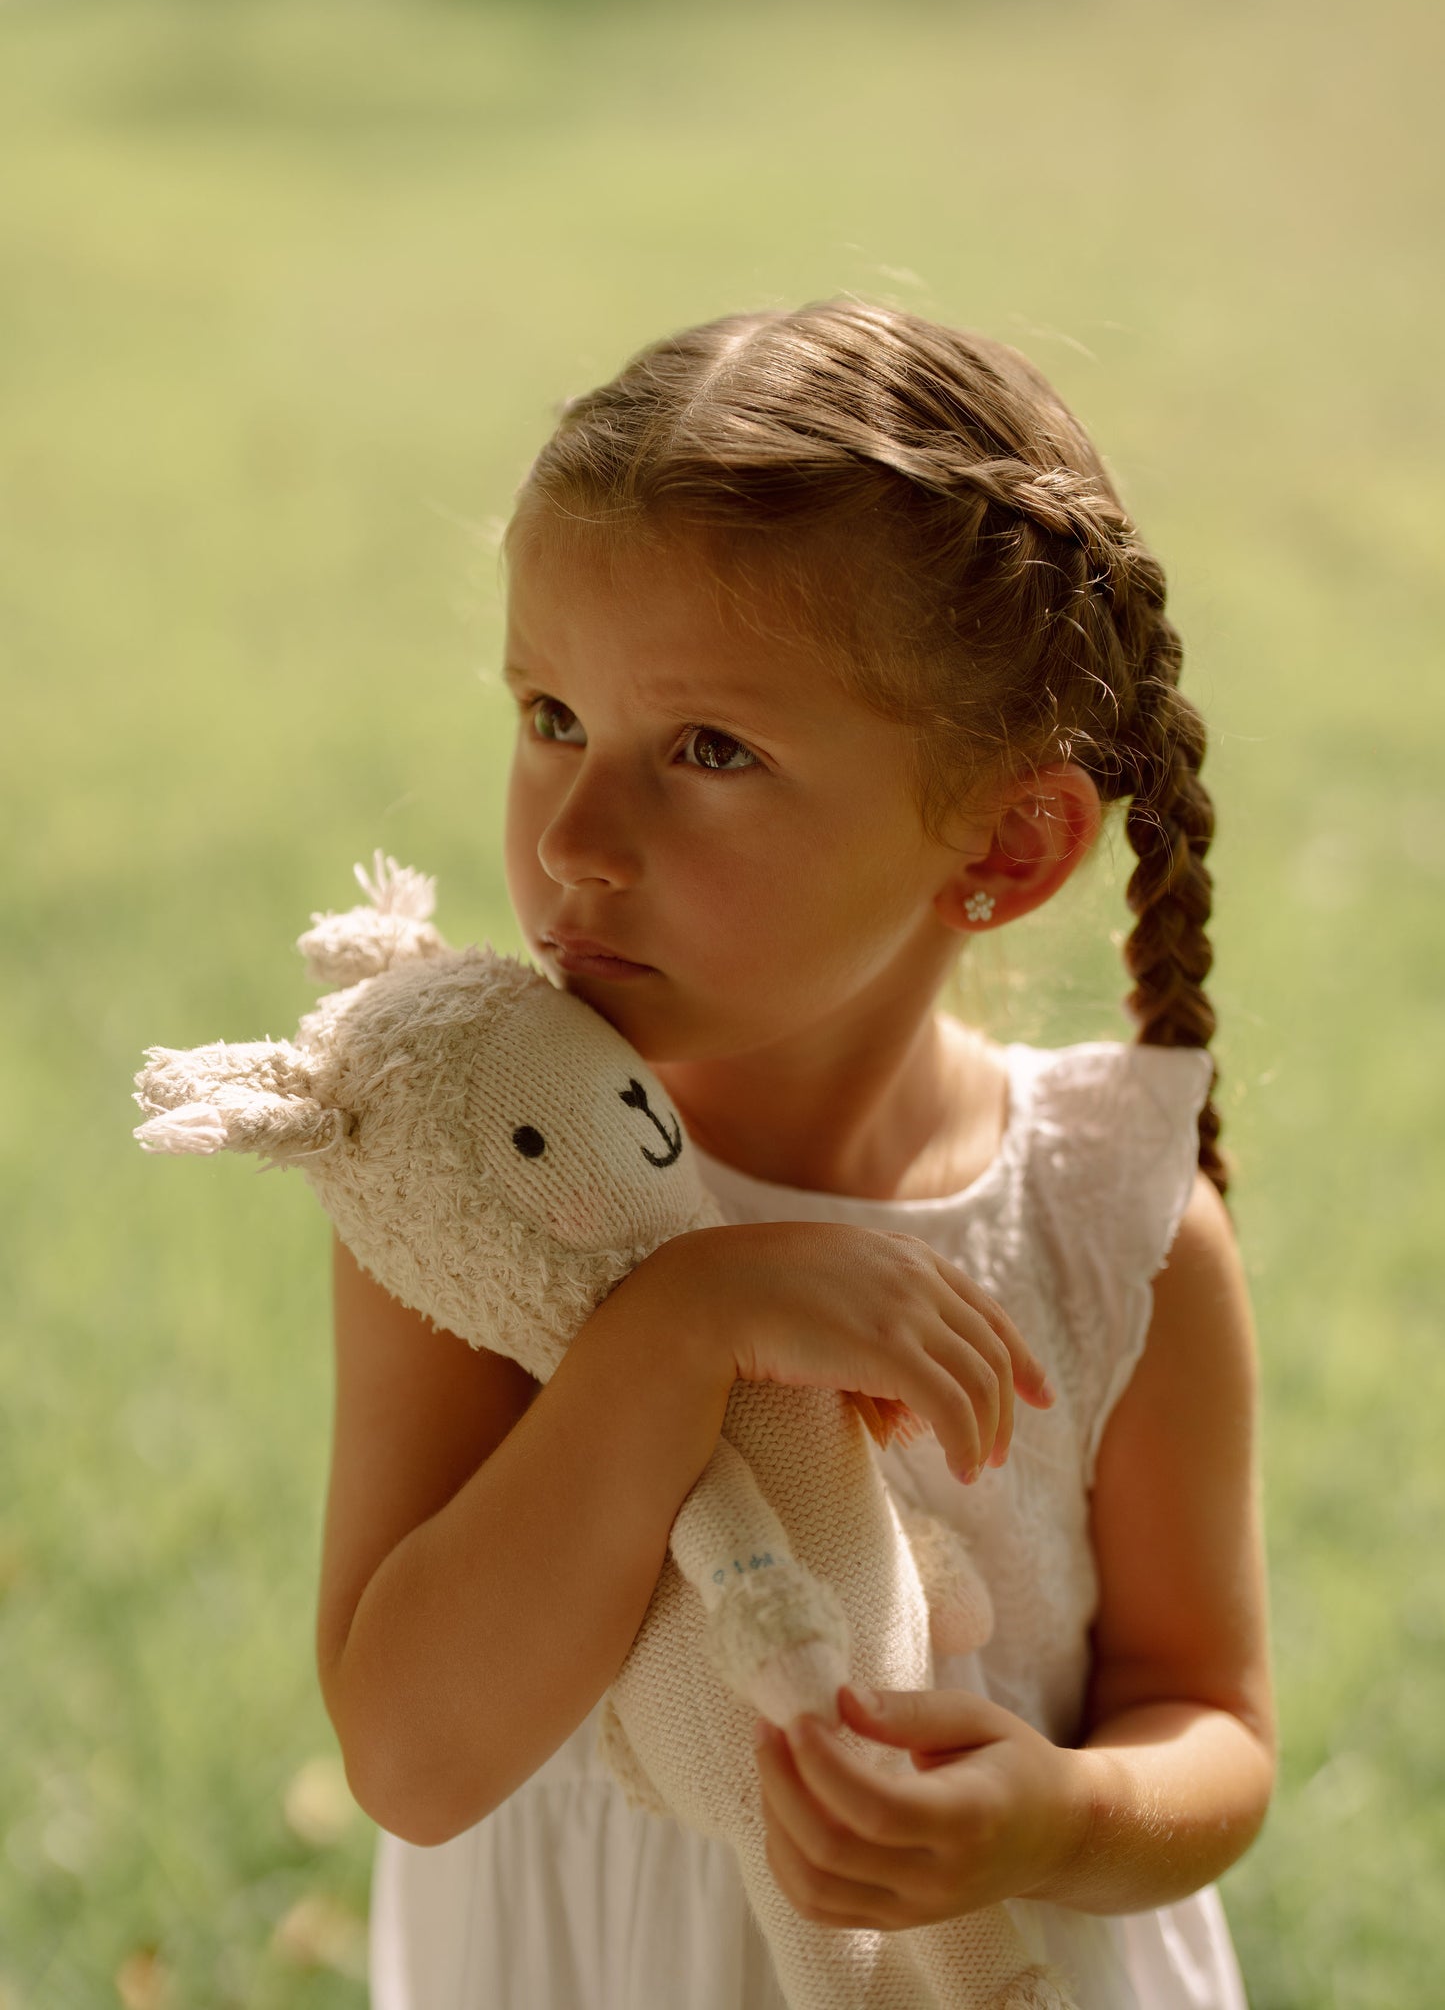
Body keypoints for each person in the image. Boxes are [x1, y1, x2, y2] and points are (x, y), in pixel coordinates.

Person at [318, 301, 1274, 2010]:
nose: (576, 843)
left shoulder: (1105, 1227)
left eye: (708, 752)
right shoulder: (476, 1179)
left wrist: (1050, 1815)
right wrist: (677, 1332)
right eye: (549, 714)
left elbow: (1208, 1723)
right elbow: (412, 1755)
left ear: (1004, 840)